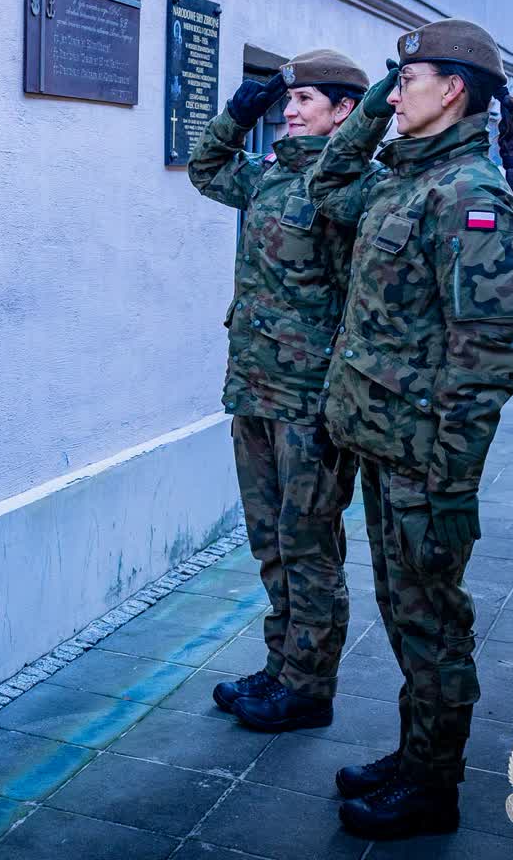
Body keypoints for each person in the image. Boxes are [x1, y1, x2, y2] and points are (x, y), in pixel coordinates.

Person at [305, 19, 513, 839]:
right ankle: (413, 758)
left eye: (406, 82)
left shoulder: (471, 197)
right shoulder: (403, 179)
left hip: (424, 463)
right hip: (382, 443)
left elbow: (483, 360)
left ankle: (433, 787)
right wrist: (376, 105)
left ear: (454, 90)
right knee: (404, 614)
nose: (394, 96)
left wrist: (452, 487)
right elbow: (327, 183)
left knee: (432, 623)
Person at [186, 50, 377, 733]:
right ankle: (281, 669)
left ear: (345, 111)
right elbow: (205, 169)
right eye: (286, 100)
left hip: (309, 402)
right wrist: (237, 115)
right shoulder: (272, 176)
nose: (289, 111)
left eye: (304, 101)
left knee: (310, 546)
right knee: (270, 540)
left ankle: (309, 688)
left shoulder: (353, 189)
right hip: (254, 390)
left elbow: (364, 304)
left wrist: (340, 402)